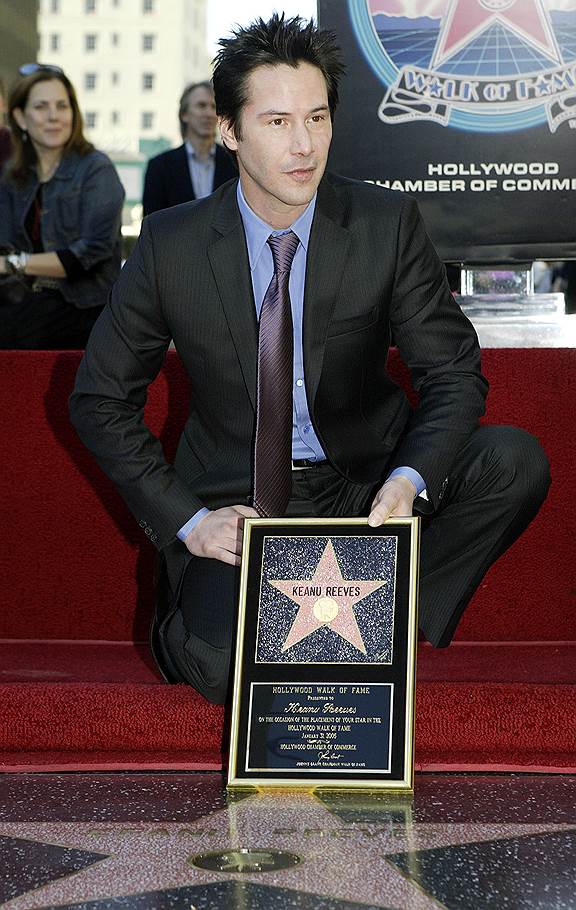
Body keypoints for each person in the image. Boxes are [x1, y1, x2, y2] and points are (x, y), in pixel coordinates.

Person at [70, 15, 550, 704]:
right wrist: (190, 521)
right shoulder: (170, 244)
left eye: (317, 117)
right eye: (276, 122)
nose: (304, 145)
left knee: (513, 461)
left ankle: (371, 619)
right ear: (229, 131)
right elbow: (99, 398)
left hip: (367, 486)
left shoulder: (384, 225)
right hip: (239, 498)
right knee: (209, 664)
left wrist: (410, 478)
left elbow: (451, 372)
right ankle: (342, 632)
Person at [0, 64, 124, 349]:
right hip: (25, 300)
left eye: (62, 106)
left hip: (86, 306)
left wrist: (15, 264)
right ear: (20, 117)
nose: (54, 116)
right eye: (42, 107)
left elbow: (89, 254)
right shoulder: (13, 177)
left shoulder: (96, 169)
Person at [142, 81, 237, 216]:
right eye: (201, 105)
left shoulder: (236, 162)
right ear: (184, 114)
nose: (209, 113)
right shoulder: (160, 167)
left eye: (214, 107)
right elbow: (151, 222)